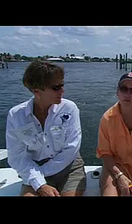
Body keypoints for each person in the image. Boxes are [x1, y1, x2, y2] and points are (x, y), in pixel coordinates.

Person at [6, 60, 86, 196]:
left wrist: (38, 179)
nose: (62, 90)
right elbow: (16, 156)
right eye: (56, 87)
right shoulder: (16, 115)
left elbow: (71, 148)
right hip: (35, 166)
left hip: (68, 167)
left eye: (62, 85)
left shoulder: (69, 109)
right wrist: (40, 183)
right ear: (36, 91)